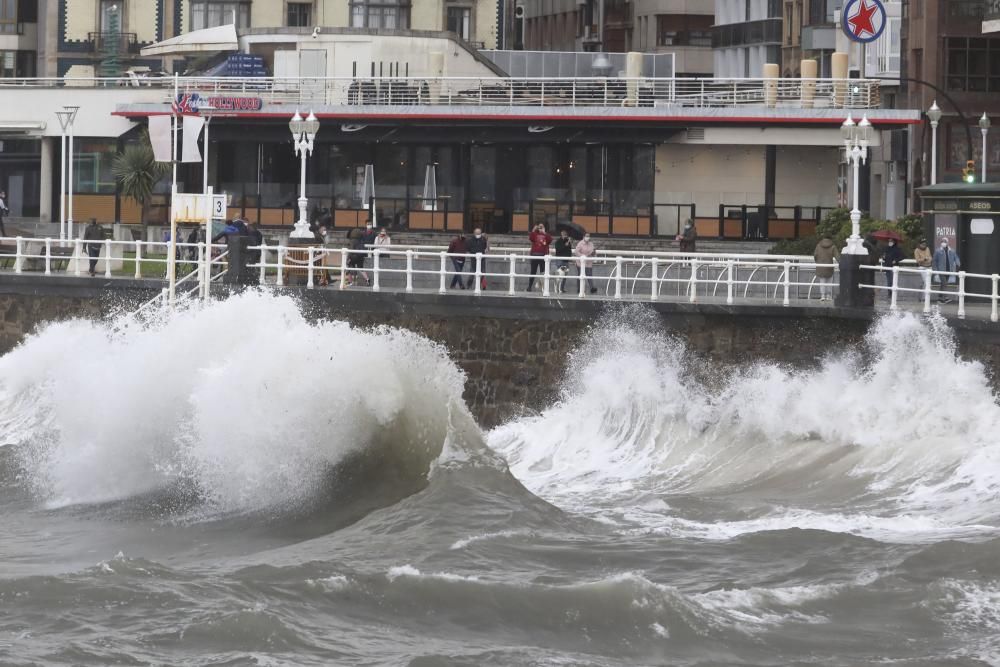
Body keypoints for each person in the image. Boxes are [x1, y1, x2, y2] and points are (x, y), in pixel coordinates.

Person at [526, 223, 553, 292]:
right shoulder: (535, 234)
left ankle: (543, 288)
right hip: (535, 255)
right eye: (539, 227)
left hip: (543, 256)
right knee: (533, 272)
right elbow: (530, 238)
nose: (540, 228)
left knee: (543, 272)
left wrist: (545, 233)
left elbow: (550, 240)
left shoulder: (546, 235)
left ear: (544, 228)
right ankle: (529, 286)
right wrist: (533, 229)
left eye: (542, 227)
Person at [813, 234, 839, 301]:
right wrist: (841, 263)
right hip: (829, 266)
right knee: (829, 282)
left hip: (820, 266)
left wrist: (817, 262)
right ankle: (829, 296)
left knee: (822, 281)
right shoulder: (833, 246)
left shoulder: (818, 245)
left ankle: (822, 296)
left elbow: (815, 255)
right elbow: (837, 257)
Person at [553, 229, 573, 293]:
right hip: (560, 259)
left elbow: (569, 250)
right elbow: (558, 250)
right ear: (561, 235)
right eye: (564, 235)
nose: (565, 236)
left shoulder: (568, 241)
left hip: (566, 260)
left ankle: (561, 288)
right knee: (559, 275)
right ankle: (556, 289)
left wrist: (569, 257)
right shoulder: (558, 241)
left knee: (564, 275)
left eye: (566, 235)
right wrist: (565, 245)